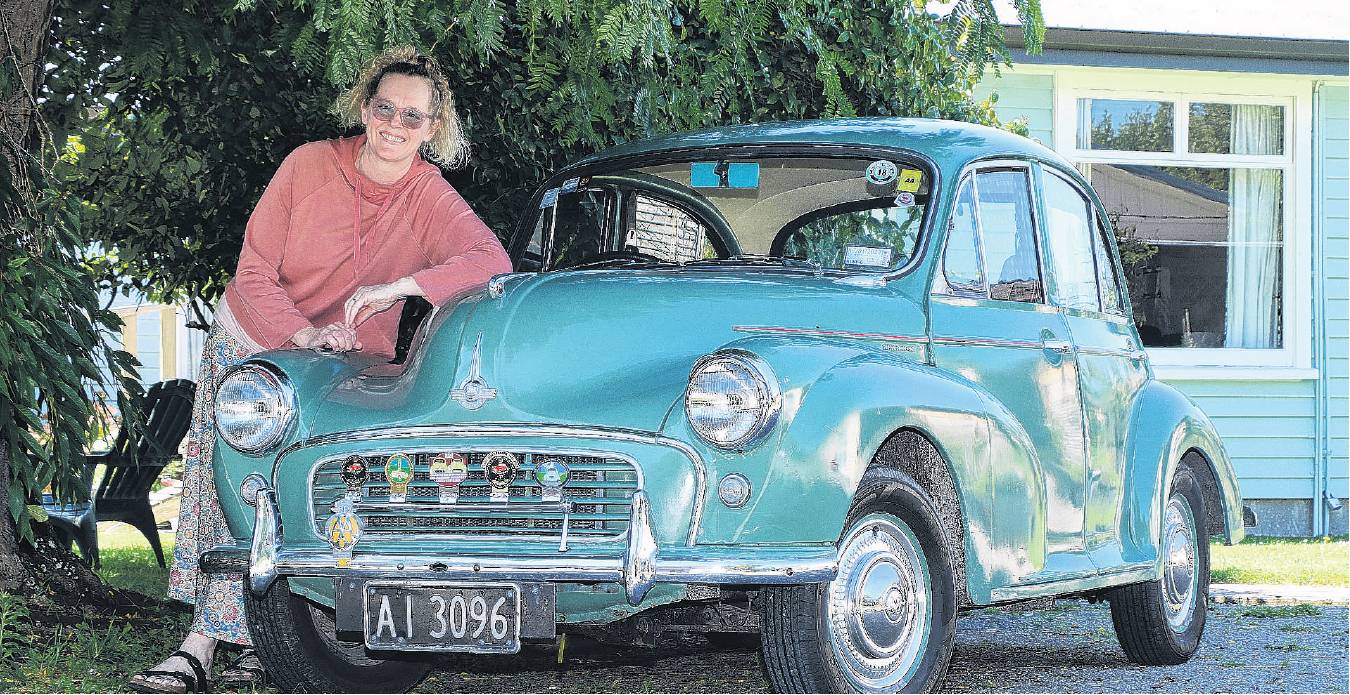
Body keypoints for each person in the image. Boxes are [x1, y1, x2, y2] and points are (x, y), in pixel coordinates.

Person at [130, 46, 511, 693]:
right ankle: (199, 648)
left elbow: (492, 262)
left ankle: (269, 644)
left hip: (343, 370)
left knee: (316, 498)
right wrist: (303, 332)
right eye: (385, 108)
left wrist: (402, 286)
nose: (395, 124)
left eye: (413, 117)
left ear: (433, 128)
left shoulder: (426, 194)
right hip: (255, 345)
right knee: (233, 495)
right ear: (365, 107)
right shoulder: (308, 165)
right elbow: (254, 271)